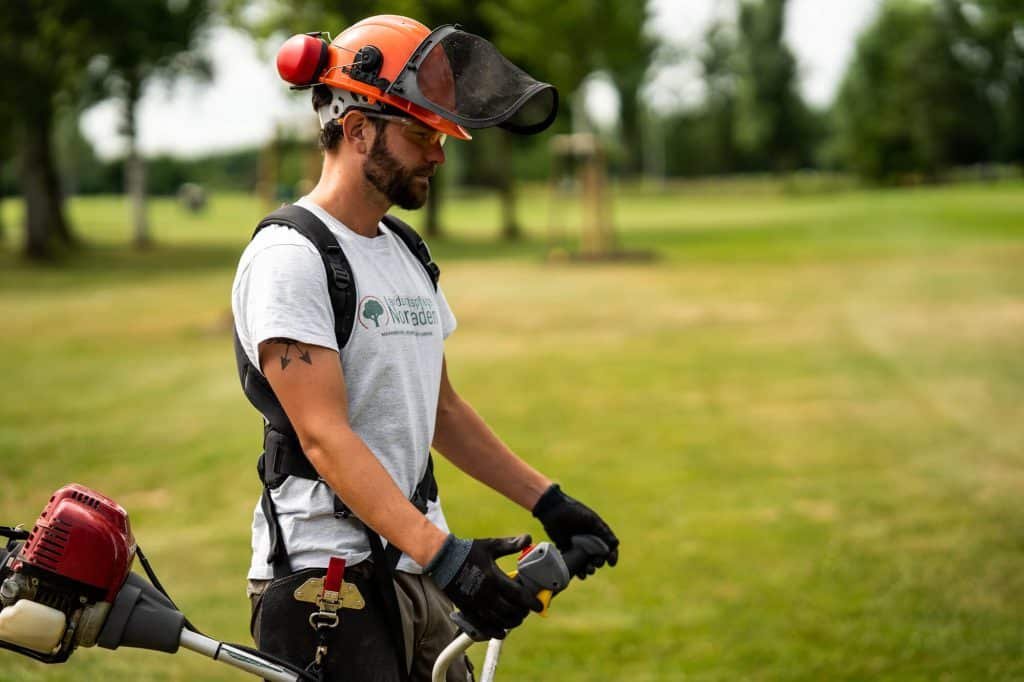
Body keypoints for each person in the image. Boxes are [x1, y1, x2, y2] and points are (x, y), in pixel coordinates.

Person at [231, 14, 618, 682]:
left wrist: (548, 500)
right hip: (326, 584)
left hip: (413, 570)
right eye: (420, 133)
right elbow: (324, 436)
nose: (439, 154)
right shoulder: (290, 257)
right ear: (357, 130)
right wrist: (446, 557)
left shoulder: (406, 251)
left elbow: (442, 411)